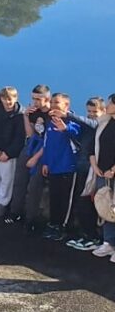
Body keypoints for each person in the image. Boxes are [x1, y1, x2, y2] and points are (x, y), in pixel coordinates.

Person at [7, 84, 52, 225]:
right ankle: (15, 212)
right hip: (31, 146)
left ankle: (31, 219)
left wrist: (35, 158)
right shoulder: (34, 111)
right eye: (33, 99)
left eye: (38, 99)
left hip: (44, 152)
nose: (35, 102)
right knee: (19, 181)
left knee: (34, 187)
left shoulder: (53, 115)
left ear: (47, 98)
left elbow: (50, 141)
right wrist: (26, 116)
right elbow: (30, 134)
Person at [40, 93, 82, 242]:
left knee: (65, 201)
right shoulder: (50, 122)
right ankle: (53, 224)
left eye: (57, 102)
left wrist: (65, 129)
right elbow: (46, 144)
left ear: (66, 106)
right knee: (54, 198)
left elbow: (78, 137)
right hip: (53, 168)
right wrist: (45, 162)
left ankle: (62, 227)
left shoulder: (72, 122)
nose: (53, 105)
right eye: (52, 102)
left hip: (68, 169)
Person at [0, 87, 26, 219]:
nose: (7, 102)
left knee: (6, 180)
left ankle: (2, 203)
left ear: (15, 98)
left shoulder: (20, 116)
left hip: (9, 155)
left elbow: (20, 138)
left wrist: (8, 153)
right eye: (4, 99)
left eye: (10, 99)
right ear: (1, 99)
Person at [66, 97, 102, 251]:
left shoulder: (100, 125)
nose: (91, 114)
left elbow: (92, 123)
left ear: (103, 111)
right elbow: (79, 139)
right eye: (89, 111)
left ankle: (92, 237)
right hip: (81, 167)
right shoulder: (88, 126)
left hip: (91, 171)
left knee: (88, 204)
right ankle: (85, 234)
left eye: (95, 111)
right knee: (81, 204)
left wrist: (67, 114)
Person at [85, 94, 115, 261]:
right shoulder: (104, 123)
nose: (108, 105)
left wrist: (113, 169)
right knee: (106, 208)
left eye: (110, 103)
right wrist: (95, 166)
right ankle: (108, 243)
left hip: (111, 172)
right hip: (102, 172)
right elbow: (92, 146)